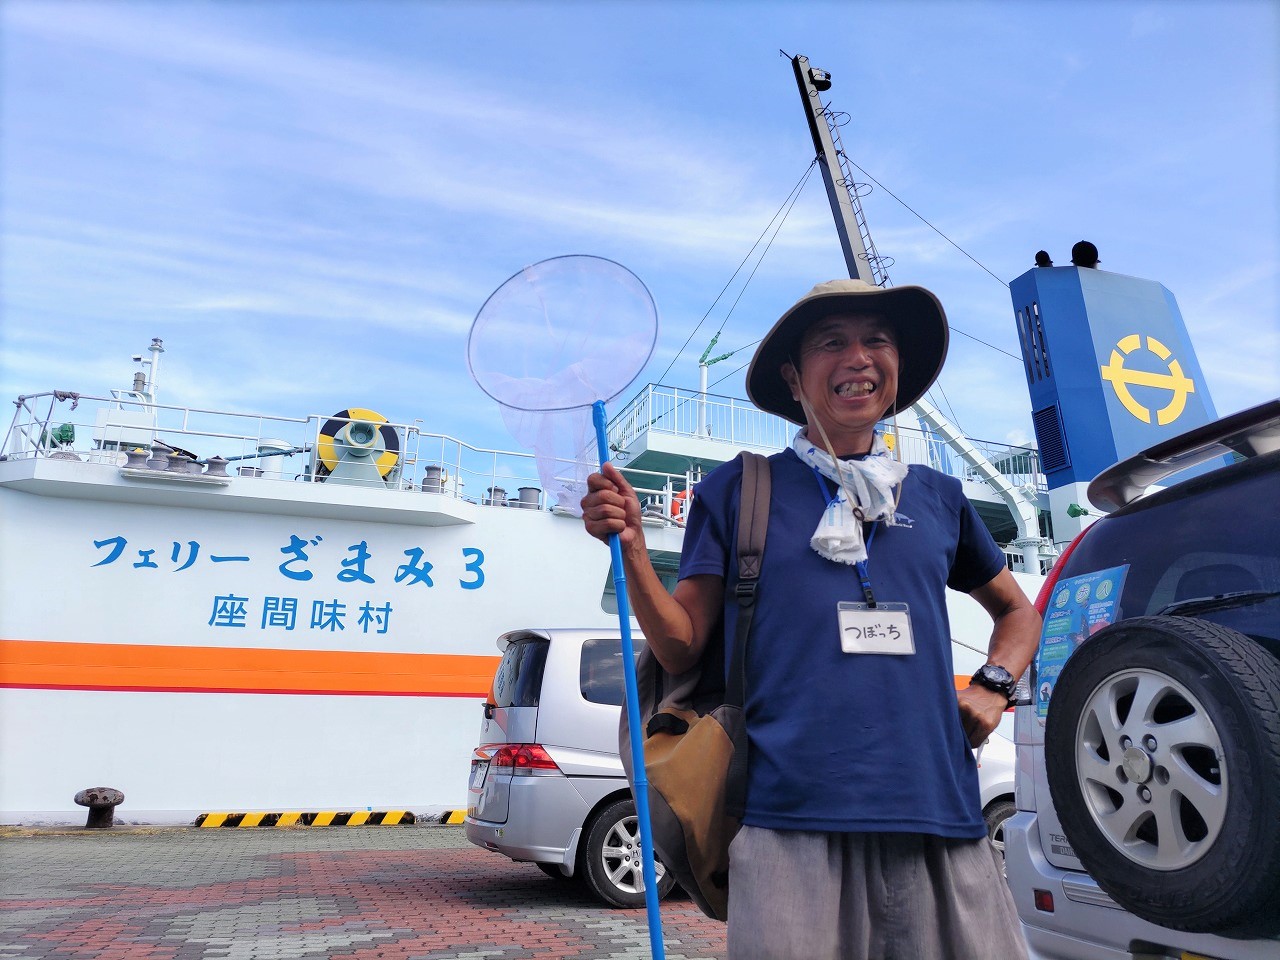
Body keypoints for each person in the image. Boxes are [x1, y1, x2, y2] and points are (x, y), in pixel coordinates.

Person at [581, 278, 1041, 960]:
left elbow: (1018, 611)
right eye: (833, 342)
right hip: (786, 819)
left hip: (939, 812)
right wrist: (635, 552)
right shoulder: (740, 489)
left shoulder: (941, 500)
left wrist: (994, 684)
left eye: (876, 340)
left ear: (896, 368)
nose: (858, 357)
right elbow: (681, 649)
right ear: (794, 377)